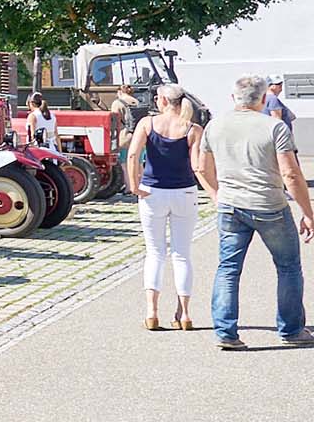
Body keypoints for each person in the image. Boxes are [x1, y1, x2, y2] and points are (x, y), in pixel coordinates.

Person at [197, 73, 314, 350]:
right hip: (269, 205)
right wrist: (308, 212)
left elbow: (202, 168)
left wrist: (216, 195)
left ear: (233, 98)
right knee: (288, 267)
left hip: (230, 205)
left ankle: (225, 332)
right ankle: (291, 330)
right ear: (263, 99)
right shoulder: (274, 127)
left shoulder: (215, 125)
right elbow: (290, 174)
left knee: (228, 268)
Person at [128, 84, 203, 330]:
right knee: (182, 254)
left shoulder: (147, 124)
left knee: (155, 252)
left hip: (152, 192)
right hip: (184, 192)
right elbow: (197, 166)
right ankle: (185, 313)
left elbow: (133, 155)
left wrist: (134, 185)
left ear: (162, 100)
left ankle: (152, 312)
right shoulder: (193, 129)